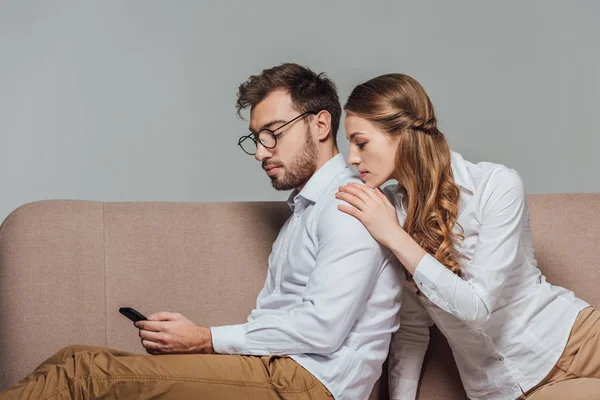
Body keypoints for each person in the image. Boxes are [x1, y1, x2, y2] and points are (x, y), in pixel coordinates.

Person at [0, 64, 402, 400]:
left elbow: (323, 328)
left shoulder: (348, 204)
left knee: (83, 373)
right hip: (274, 370)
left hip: (309, 385)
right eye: (256, 138)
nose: (261, 151)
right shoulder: (304, 212)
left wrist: (203, 339)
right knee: (72, 358)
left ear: (320, 124)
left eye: (273, 133)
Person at [335, 73, 596, 400]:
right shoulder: (388, 213)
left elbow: (477, 305)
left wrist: (395, 236)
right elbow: (413, 329)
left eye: (360, 142)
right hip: (502, 391)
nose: (352, 158)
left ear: (402, 135)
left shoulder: (496, 185)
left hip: (579, 342)